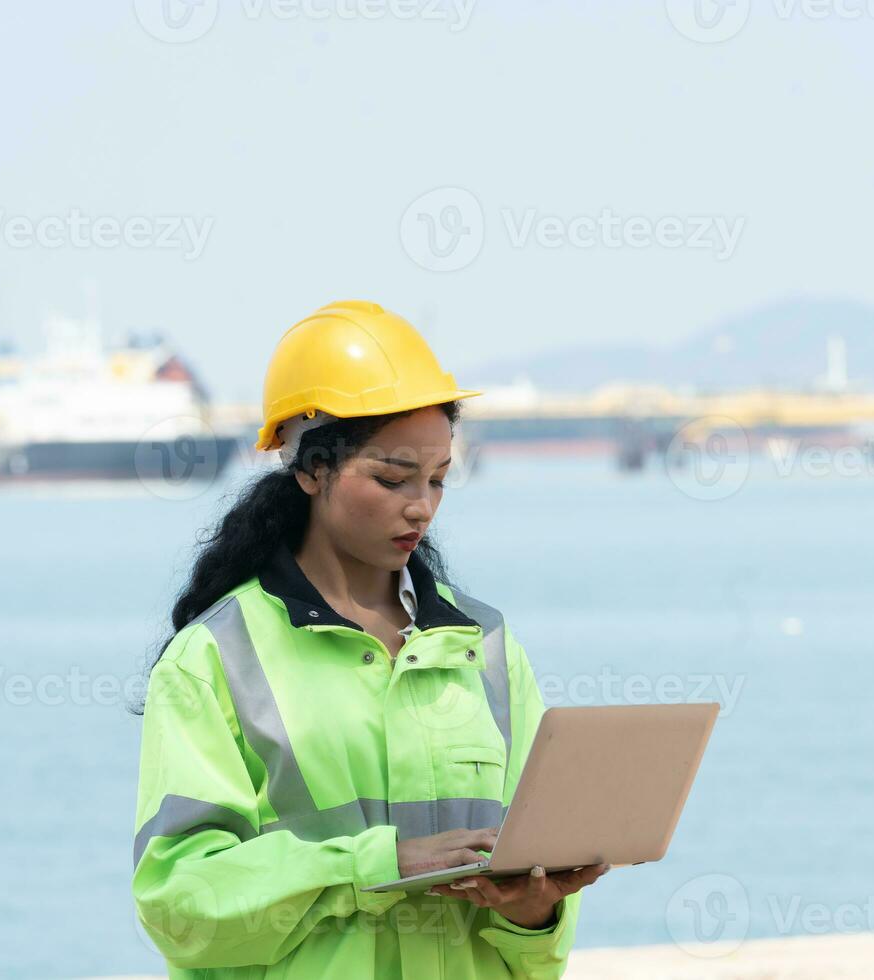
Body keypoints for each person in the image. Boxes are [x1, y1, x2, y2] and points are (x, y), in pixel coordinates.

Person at [131, 300, 609, 978]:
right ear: (310, 470)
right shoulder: (215, 659)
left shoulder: (485, 647)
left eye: (438, 478)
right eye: (392, 478)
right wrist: (377, 866)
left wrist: (534, 909)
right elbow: (180, 905)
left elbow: (536, 938)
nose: (421, 505)